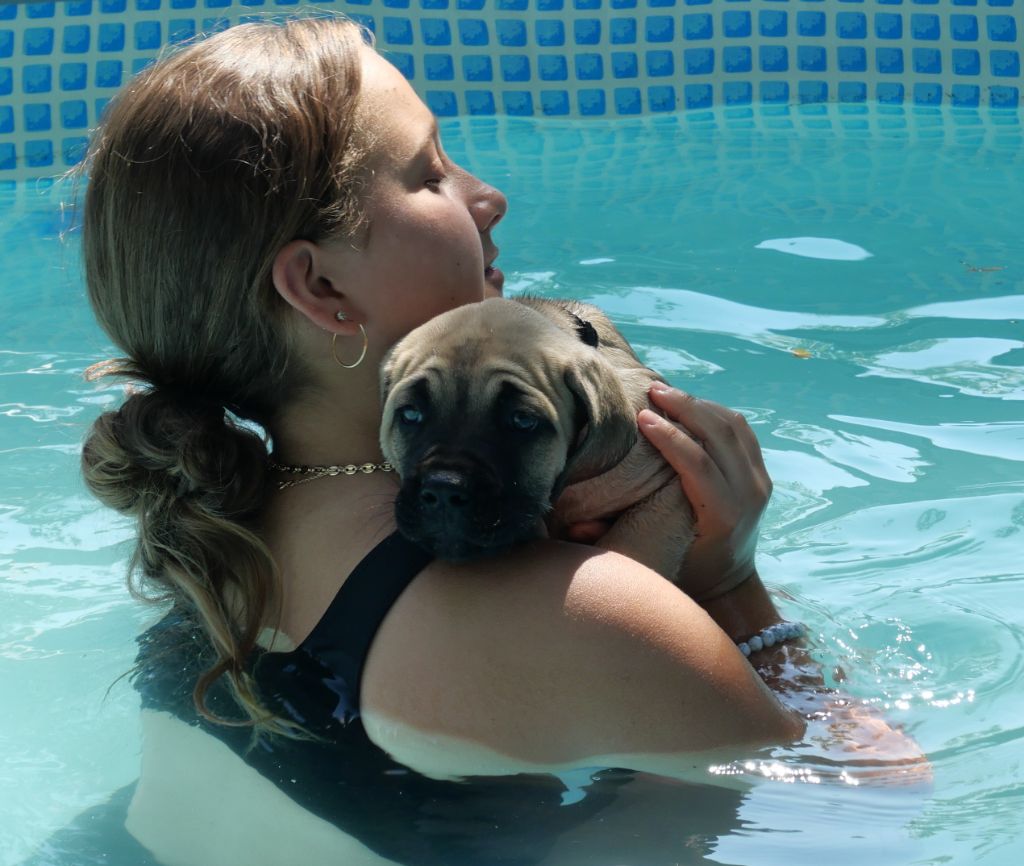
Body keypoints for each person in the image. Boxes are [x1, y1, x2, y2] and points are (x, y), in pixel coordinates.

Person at [74, 15, 927, 866]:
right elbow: (868, 800)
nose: (488, 196)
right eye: (431, 172)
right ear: (322, 286)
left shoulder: (214, 516)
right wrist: (735, 590)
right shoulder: (579, 615)